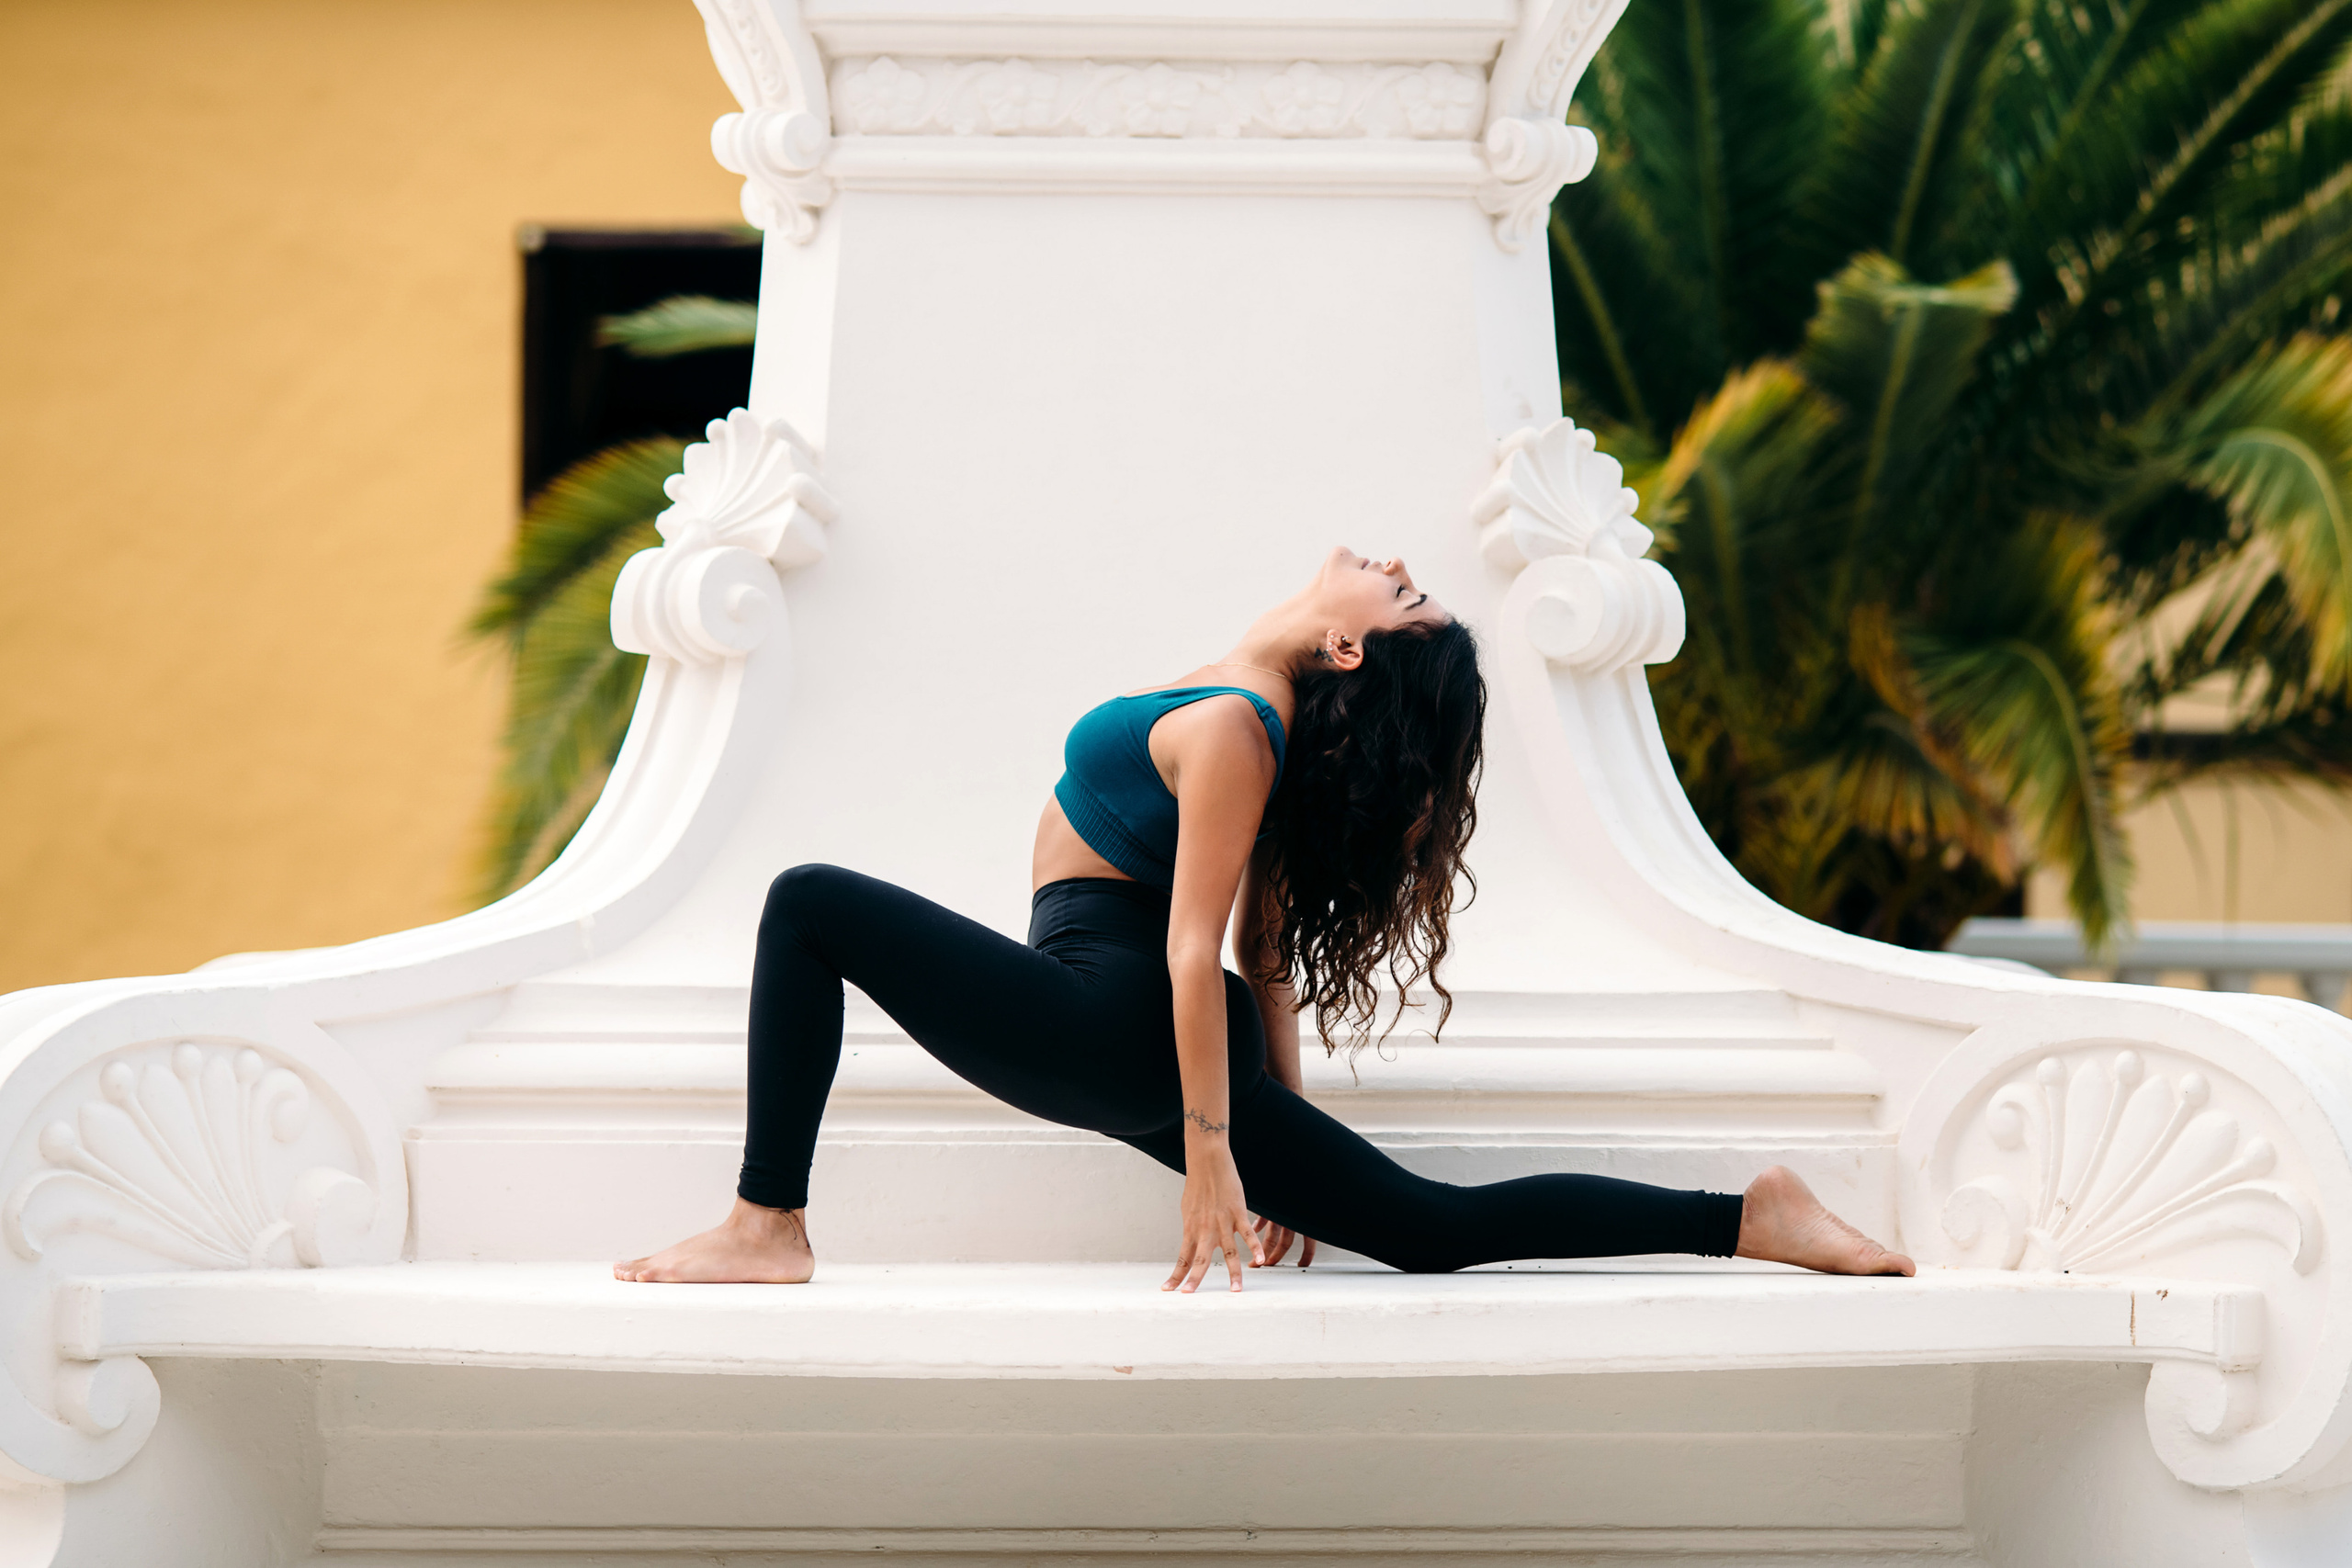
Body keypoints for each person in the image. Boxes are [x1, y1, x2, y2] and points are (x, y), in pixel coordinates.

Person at [616, 547, 1915, 1292]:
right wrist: (1273, 1130)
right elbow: (1264, 959)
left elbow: (1199, 951)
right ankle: (1746, 1215)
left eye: (1406, 601)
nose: (1400, 571)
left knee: (807, 908)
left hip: (1112, 1013)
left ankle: (767, 1223)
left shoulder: (1245, 723)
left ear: (1351, 651)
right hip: (1126, 1021)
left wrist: (1223, 1156)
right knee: (1425, 1228)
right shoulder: (1263, 718)